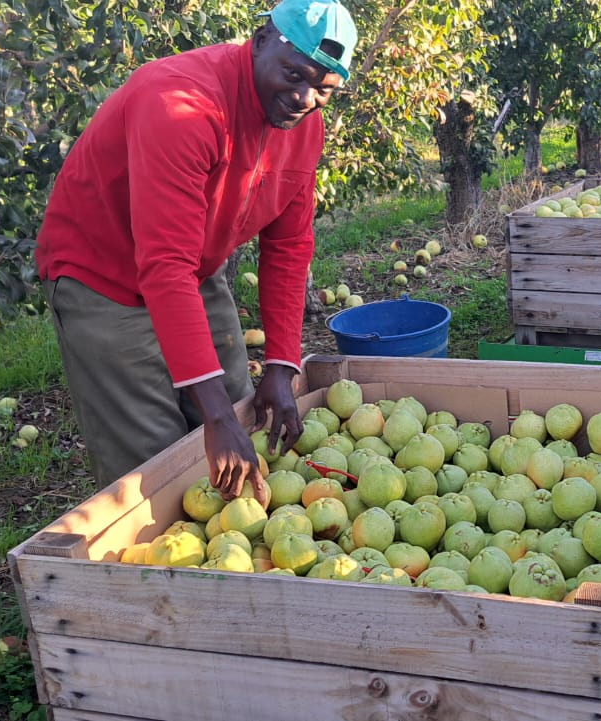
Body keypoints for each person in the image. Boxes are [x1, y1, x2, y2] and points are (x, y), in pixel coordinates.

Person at [34, 0, 357, 505]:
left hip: (192, 265)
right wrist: (216, 418)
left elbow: (290, 247)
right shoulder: (181, 104)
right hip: (103, 275)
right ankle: (149, 573)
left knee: (240, 412)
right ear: (261, 38)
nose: (303, 97)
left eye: (323, 89)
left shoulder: (302, 127)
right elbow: (162, 264)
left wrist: (281, 364)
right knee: (152, 462)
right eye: (294, 74)